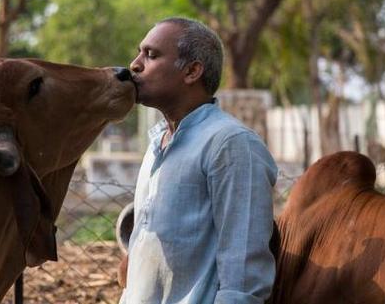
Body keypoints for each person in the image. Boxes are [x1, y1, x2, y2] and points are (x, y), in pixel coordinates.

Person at [118, 17, 278, 304]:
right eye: (140, 53)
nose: (135, 64)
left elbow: (242, 277)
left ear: (192, 71)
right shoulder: (157, 143)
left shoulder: (230, 144)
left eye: (151, 55)